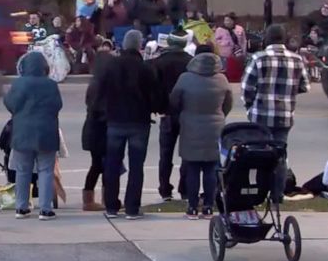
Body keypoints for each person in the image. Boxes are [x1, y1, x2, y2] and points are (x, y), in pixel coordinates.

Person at [242, 24, 310, 203]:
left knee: (259, 154)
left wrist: (250, 105)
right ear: (284, 39)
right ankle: (277, 195)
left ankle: (260, 193)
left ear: (267, 39)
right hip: (285, 115)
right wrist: (288, 92)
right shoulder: (296, 59)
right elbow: (305, 86)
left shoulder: (258, 58)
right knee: (280, 156)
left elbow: (247, 87)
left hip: (260, 115)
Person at [96, 30, 158, 219]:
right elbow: (155, 95)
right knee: (137, 166)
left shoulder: (111, 66)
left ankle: (111, 206)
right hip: (139, 121)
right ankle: (132, 207)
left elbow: (100, 92)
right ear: (139, 45)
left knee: (112, 165)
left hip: (115, 120)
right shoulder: (146, 68)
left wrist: (103, 113)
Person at [169, 52, 233, 219]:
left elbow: (174, 101)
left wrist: (182, 114)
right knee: (211, 169)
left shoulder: (185, 78)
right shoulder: (222, 80)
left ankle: (191, 206)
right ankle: (208, 207)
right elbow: (228, 103)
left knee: (192, 168)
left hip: (190, 125)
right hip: (215, 127)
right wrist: (219, 115)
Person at [4, 52, 62, 221]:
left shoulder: (19, 84)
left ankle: (21, 207)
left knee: (22, 171)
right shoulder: (51, 85)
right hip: (46, 133)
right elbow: (58, 105)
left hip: (22, 132)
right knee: (45, 170)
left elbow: (9, 103)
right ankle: (45, 209)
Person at [150, 32, 193, 202]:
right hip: (187, 112)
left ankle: (165, 189)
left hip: (167, 112)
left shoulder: (159, 62)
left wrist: (157, 106)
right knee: (187, 153)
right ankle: (185, 188)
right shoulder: (191, 61)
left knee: (165, 154)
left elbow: (153, 87)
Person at [81, 39, 115, 212]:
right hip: (102, 129)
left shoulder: (94, 84)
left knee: (97, 164)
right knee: (105, 165)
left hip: (92, 129)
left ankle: (90, 198)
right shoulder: (106, 86)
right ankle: (104, 198)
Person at [214, 13, 248, 83]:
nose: (227, 22)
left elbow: (243, 41)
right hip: (225, 55)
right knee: (225, 70)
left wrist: (244, 51)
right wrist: (225, 42)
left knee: (238, 69)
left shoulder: (239, 29)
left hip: (238, 54)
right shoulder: (220, 30)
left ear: (233, 21)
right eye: (225, 20)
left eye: (229, 20)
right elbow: (216, 41)